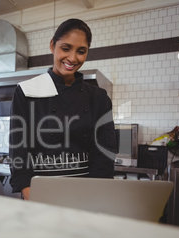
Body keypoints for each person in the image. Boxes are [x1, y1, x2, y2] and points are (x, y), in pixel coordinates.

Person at [9, 18, 117, 200]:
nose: (73, 58)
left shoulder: (98, 98)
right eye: (66, 48)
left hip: (85, 194)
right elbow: (19, 153)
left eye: (81, 51)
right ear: (52, 45)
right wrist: (33, 198)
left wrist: (94, 200)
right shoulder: (26, 91)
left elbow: (104, 156)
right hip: (40, 193)